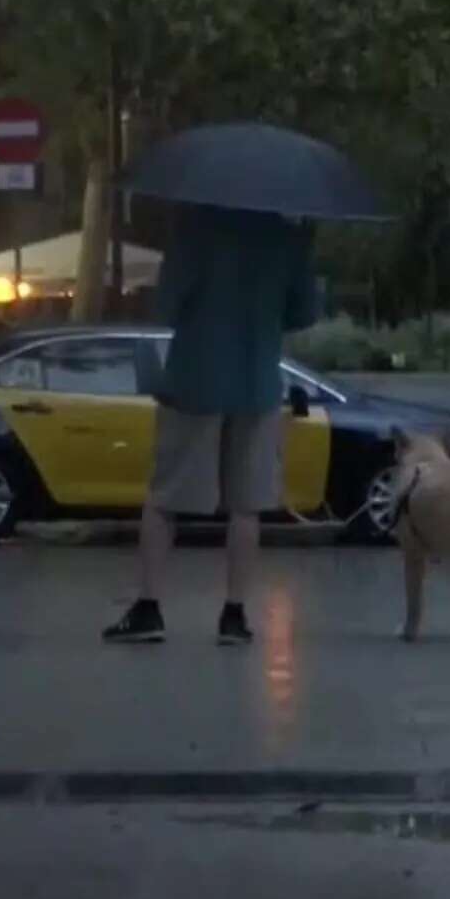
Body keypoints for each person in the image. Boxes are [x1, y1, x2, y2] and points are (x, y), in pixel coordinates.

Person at [103, 205, 318, 646]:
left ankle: (149, 608)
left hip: (194, 380)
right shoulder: (288, 236)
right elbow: (304, 312)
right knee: (246, 505)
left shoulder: (194, 227)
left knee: (165, 499)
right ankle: (234, 615)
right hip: (257, 382)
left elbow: (167, 305)